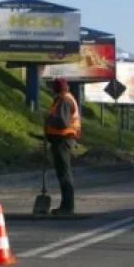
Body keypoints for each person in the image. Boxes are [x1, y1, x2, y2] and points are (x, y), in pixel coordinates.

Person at [44, 77, 82, 215]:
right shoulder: (65, 98)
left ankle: (67, 207)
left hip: (63, 140)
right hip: (62, 140)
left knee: (64, 174)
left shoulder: (64, 100)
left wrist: (48, 118)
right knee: (63, 173)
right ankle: (65, 206)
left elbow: (62, 122)